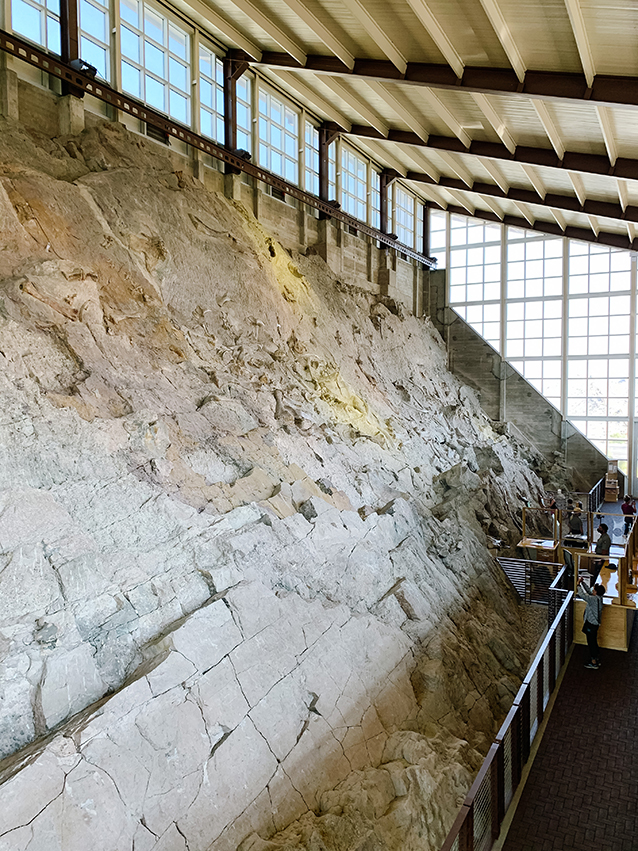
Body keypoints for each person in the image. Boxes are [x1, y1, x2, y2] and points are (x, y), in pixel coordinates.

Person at [577, 578, 605, 669]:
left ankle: (593, 662)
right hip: (595, 624)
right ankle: (596, 658)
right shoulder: (599, 598)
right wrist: (582, 583)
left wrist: (577, 585)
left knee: (591, 642)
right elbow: (589, 592)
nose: (592, 591)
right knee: (593, 641)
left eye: (594, 590)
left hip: (591, 624)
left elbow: (583, 595)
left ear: (596, 592)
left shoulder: (593, 600)